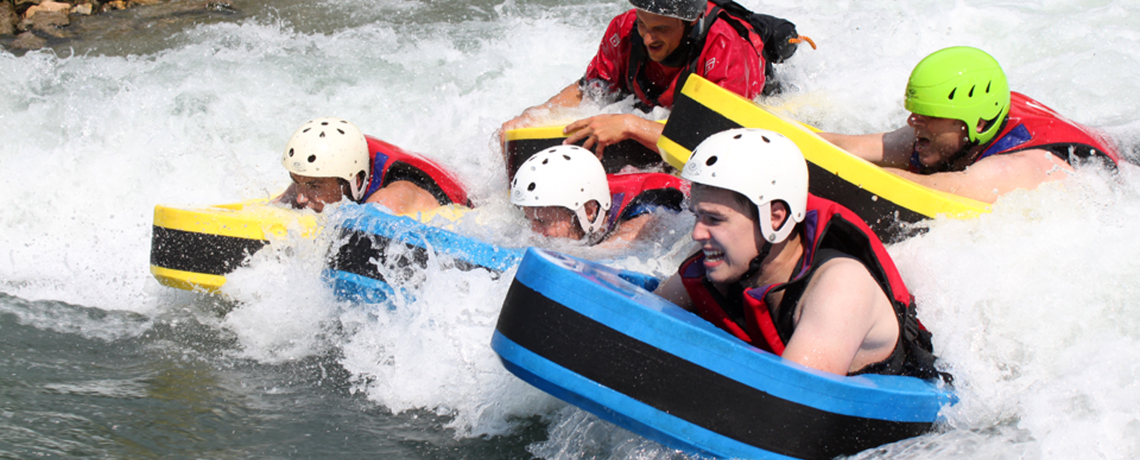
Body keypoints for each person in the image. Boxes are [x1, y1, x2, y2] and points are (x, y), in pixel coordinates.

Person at [654, 128, 943, 378]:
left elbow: (786, 409)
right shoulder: (722, 258)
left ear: (775, 218)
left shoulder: (841, 287)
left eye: (715, 219)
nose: (697, 233)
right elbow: (647, 320)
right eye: (697, 216)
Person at [820, 46, 1122, 204]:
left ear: (977, 123)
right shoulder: (945, 133)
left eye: (929, 115)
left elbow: (932, 188)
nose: (913, 121)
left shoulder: (1014, 170)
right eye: (915, 111)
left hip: (1121, 173)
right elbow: (844, 147)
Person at [500, 0, 772, 159]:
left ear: (691, 23)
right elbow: (591, 91)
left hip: (751, 99)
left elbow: (716, 143)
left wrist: (630, 126)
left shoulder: (726, 47)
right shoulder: (625, 27)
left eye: (661, 29)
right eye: (643, 24)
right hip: (661, 109)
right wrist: (535, 115)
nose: (647, 38)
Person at [279, 117, 470, 214]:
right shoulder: (327, 171)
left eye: (314, 186)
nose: (301, 198)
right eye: (297, 182)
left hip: (466, 210)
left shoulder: (391, 198)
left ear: (354, 181)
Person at [510, 145, 688, 247]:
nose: (533, 233)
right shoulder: (581, 193)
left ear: (588, 211)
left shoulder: (645, 215)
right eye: (530, 220)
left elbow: (609, 252)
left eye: (542, 222)